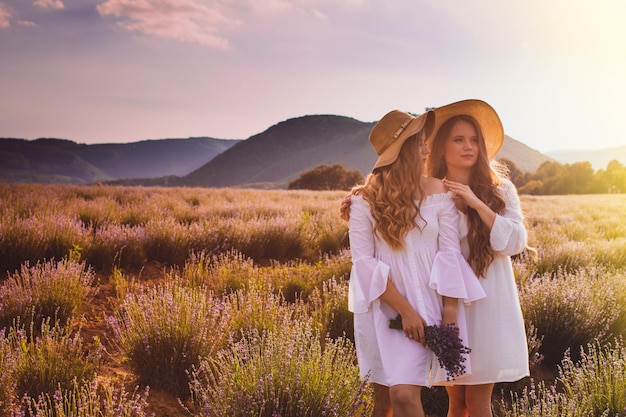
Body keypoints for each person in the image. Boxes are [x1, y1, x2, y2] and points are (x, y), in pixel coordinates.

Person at [347, 109, 486, 417]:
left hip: (436, 307)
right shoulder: (362, 202)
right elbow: (364, 264)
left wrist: (450, 312)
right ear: (404, 149)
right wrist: (406, 311)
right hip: (389, 311)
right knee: (398, 395)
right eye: (420, 143)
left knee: (452, 397)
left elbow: (450, 254)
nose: (427, 149)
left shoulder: (440, 193)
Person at [426, 100, 529, 417]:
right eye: (459, 139)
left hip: (490, 304)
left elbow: (514, 243)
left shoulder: (502, 189)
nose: (468, 146)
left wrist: (477, 204)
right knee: (455, 402)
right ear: (442, 146)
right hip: (448, 307)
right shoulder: (429, 192)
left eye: (474, 140)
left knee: (477, 402)